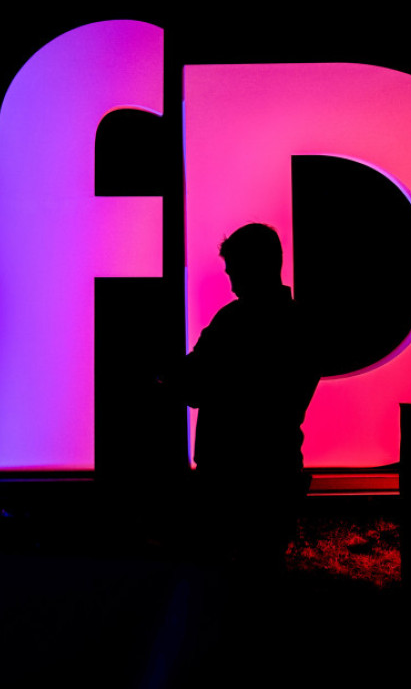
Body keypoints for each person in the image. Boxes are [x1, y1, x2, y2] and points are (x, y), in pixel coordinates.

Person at [169, 223, 320, 568]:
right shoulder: (302, 325)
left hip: (224, 475)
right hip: (277, 471)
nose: (233, 283)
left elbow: (193, 384)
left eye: (235, 271)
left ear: (252, 268)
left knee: (212, 576)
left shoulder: (232, 322)